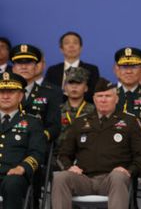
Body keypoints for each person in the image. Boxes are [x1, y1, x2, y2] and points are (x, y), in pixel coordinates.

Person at [52, 78, 141, 209]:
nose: (103, 100)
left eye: (108, 96)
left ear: (116, 99)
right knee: (61, 178)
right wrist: (69, 167)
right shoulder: (80, 122)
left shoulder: (129, 121)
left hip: (112, 179)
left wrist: (129, 170)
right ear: (94, 99)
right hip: (83, 179)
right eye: (100, 96)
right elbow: (63, 153)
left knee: (118, 177)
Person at [0, 71, 47, 209]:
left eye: (11, 92)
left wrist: (22, 168)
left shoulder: (33, 122)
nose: (5, 96)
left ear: (21, 96)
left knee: (12, 183)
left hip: (14, 175)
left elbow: (37, 153)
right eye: (1, 92)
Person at [10, 43, 62, 143]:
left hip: (36, 146)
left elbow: (54, 127)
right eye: (19, 63)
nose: (24, 67)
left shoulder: (50, 93)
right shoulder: (2, 92)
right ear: (13, 68)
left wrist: (37, 139)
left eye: (29, 63)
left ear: (36, 67)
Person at [44, 31, 100, 99]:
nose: (71, 46)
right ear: (61, 49)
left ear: (81, 48)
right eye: (67, 43)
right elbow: (47, 93)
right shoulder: (52, 70)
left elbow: (94, 94)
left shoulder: (91, 70)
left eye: (75, 43)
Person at [58, 67, 96, 150]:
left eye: (78, 83)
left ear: (86, 88)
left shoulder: (95, 111)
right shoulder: (56, 110)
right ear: (65, 87)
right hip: (59, 153)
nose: (74, 87)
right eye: (71, 83)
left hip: (86, 153)